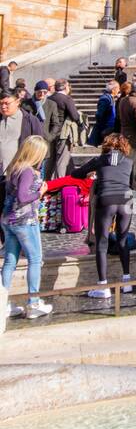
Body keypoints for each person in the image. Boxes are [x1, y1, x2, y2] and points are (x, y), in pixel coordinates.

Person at [72, 134, 136, 300]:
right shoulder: (129, 161)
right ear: (124, 146)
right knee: (123, 240)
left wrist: (91, 175)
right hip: (126, 200)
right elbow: (134, 186)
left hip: (106, 199)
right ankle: (127, 281)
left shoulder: (99, 160)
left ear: (106, 145)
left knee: (102, 242)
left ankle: (103, 286)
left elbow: (76, 173)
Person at [1, 136, 52, 318]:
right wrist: (40, 193)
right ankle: (33, 303)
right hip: (25, 221)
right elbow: (23, 197)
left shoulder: (14, 168)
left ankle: (3, 303)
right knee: (35, 259)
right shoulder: (28, 171)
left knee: (9, 261)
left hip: (8, 220)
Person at [116, 81, 136, 189]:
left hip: (125, 135)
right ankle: (132, 187)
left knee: (126, 163)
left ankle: (128, 185)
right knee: (133, 166)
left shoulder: (123, 101)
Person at [88, 79, 119, 145]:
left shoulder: (110, 97)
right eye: (118, 89)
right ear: (113, 90)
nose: (119, 91)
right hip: (106, 127)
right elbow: (99, 114)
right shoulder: (105, 99)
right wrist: (104, 127)